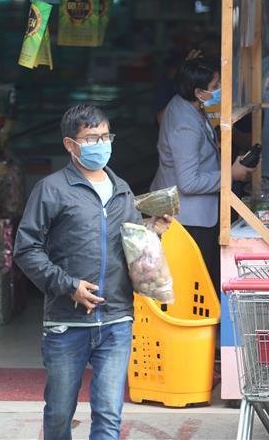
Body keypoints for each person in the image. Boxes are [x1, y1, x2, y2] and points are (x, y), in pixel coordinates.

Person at [14, 105, 171, 440]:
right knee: (59, 413)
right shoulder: (51, 189)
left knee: (109, 414)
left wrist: (151, 232)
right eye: (91, 138)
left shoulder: (122, 189)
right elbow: (26, 249)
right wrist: (68, 286)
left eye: (105, 136)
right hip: (66, 322)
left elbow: (131, 248)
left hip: (116, 319)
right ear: (70, 144)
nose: (101, 144)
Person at [151, 58, 254, 292]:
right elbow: (189, 182)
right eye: (216, 85)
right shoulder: (185, 124)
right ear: (198, 92)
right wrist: (230, 174)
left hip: (191, 214)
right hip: (188, 220)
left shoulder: (187, 106)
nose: (220, 88)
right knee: (195, 284)